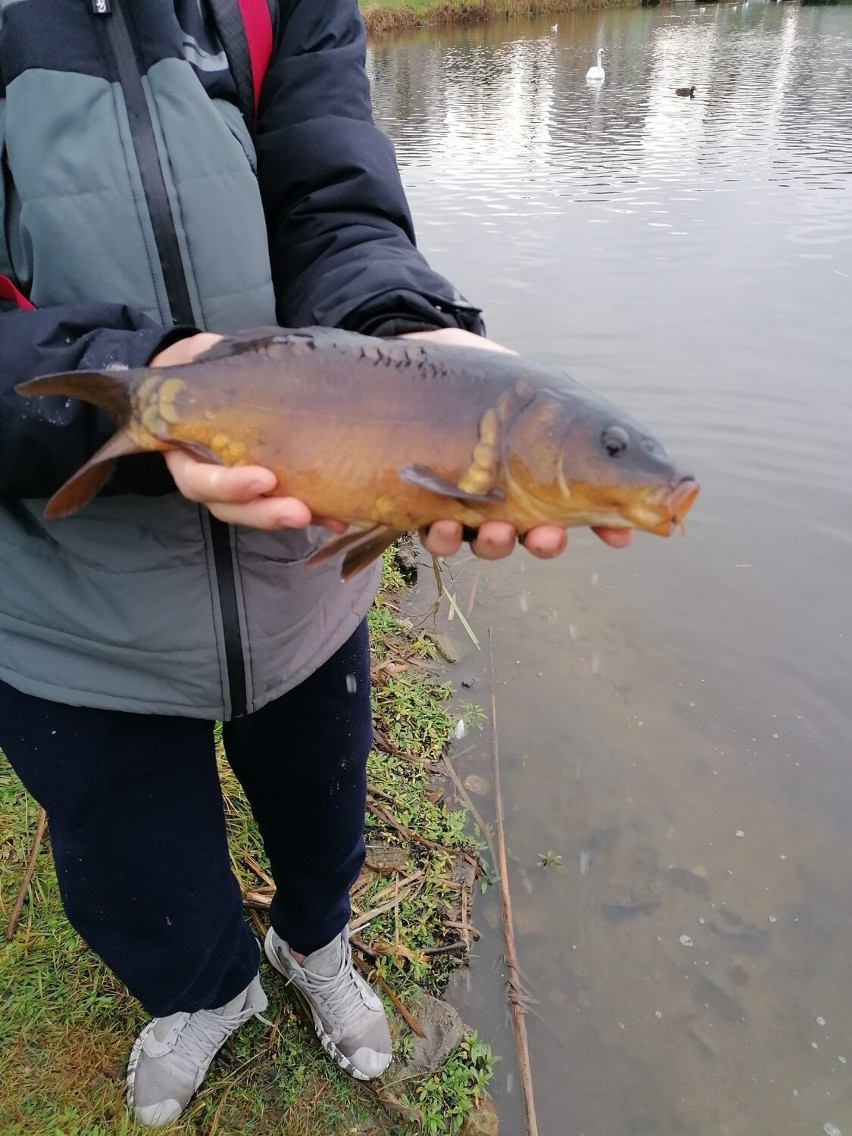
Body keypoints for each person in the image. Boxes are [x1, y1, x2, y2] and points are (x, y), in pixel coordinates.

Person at [0, 0, 629, 1128]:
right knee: (130, 857)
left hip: (301, 595)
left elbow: (332, 205)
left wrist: (403, 328)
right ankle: (204, 990)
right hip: (64, 619)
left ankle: (311, 944)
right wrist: (119, 380)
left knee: (323, 814)